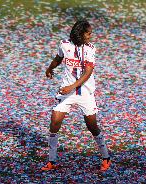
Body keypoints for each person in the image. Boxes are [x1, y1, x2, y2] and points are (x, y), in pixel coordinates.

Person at [41, 20, 111, 171]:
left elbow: (88, 73)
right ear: (80, 34)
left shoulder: (90, 49)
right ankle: (51, 161)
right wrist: (49, 68)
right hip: (67, 92)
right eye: (88, 33)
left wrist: (72, 87)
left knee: (92, 126)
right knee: (54, 122)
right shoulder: (64, 45)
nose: (91, 36)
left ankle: (106, 157)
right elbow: (58, 58)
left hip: (84, 92)